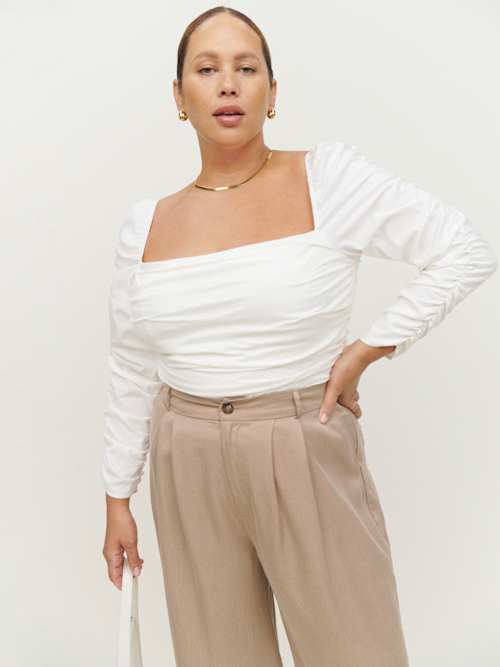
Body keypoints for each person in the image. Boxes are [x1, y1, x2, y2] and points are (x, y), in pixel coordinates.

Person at [101, 7, 497, 666]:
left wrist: (369, 347)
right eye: (207, 69)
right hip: (186, 455)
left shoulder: (328, 179)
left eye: (246, 68)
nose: (228, 84)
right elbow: (131, 365)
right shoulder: (146, 225)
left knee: (356, 652)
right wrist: (118, 496)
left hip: (302, 440)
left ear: (272, 91)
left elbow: (465, 248)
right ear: (179, 96)